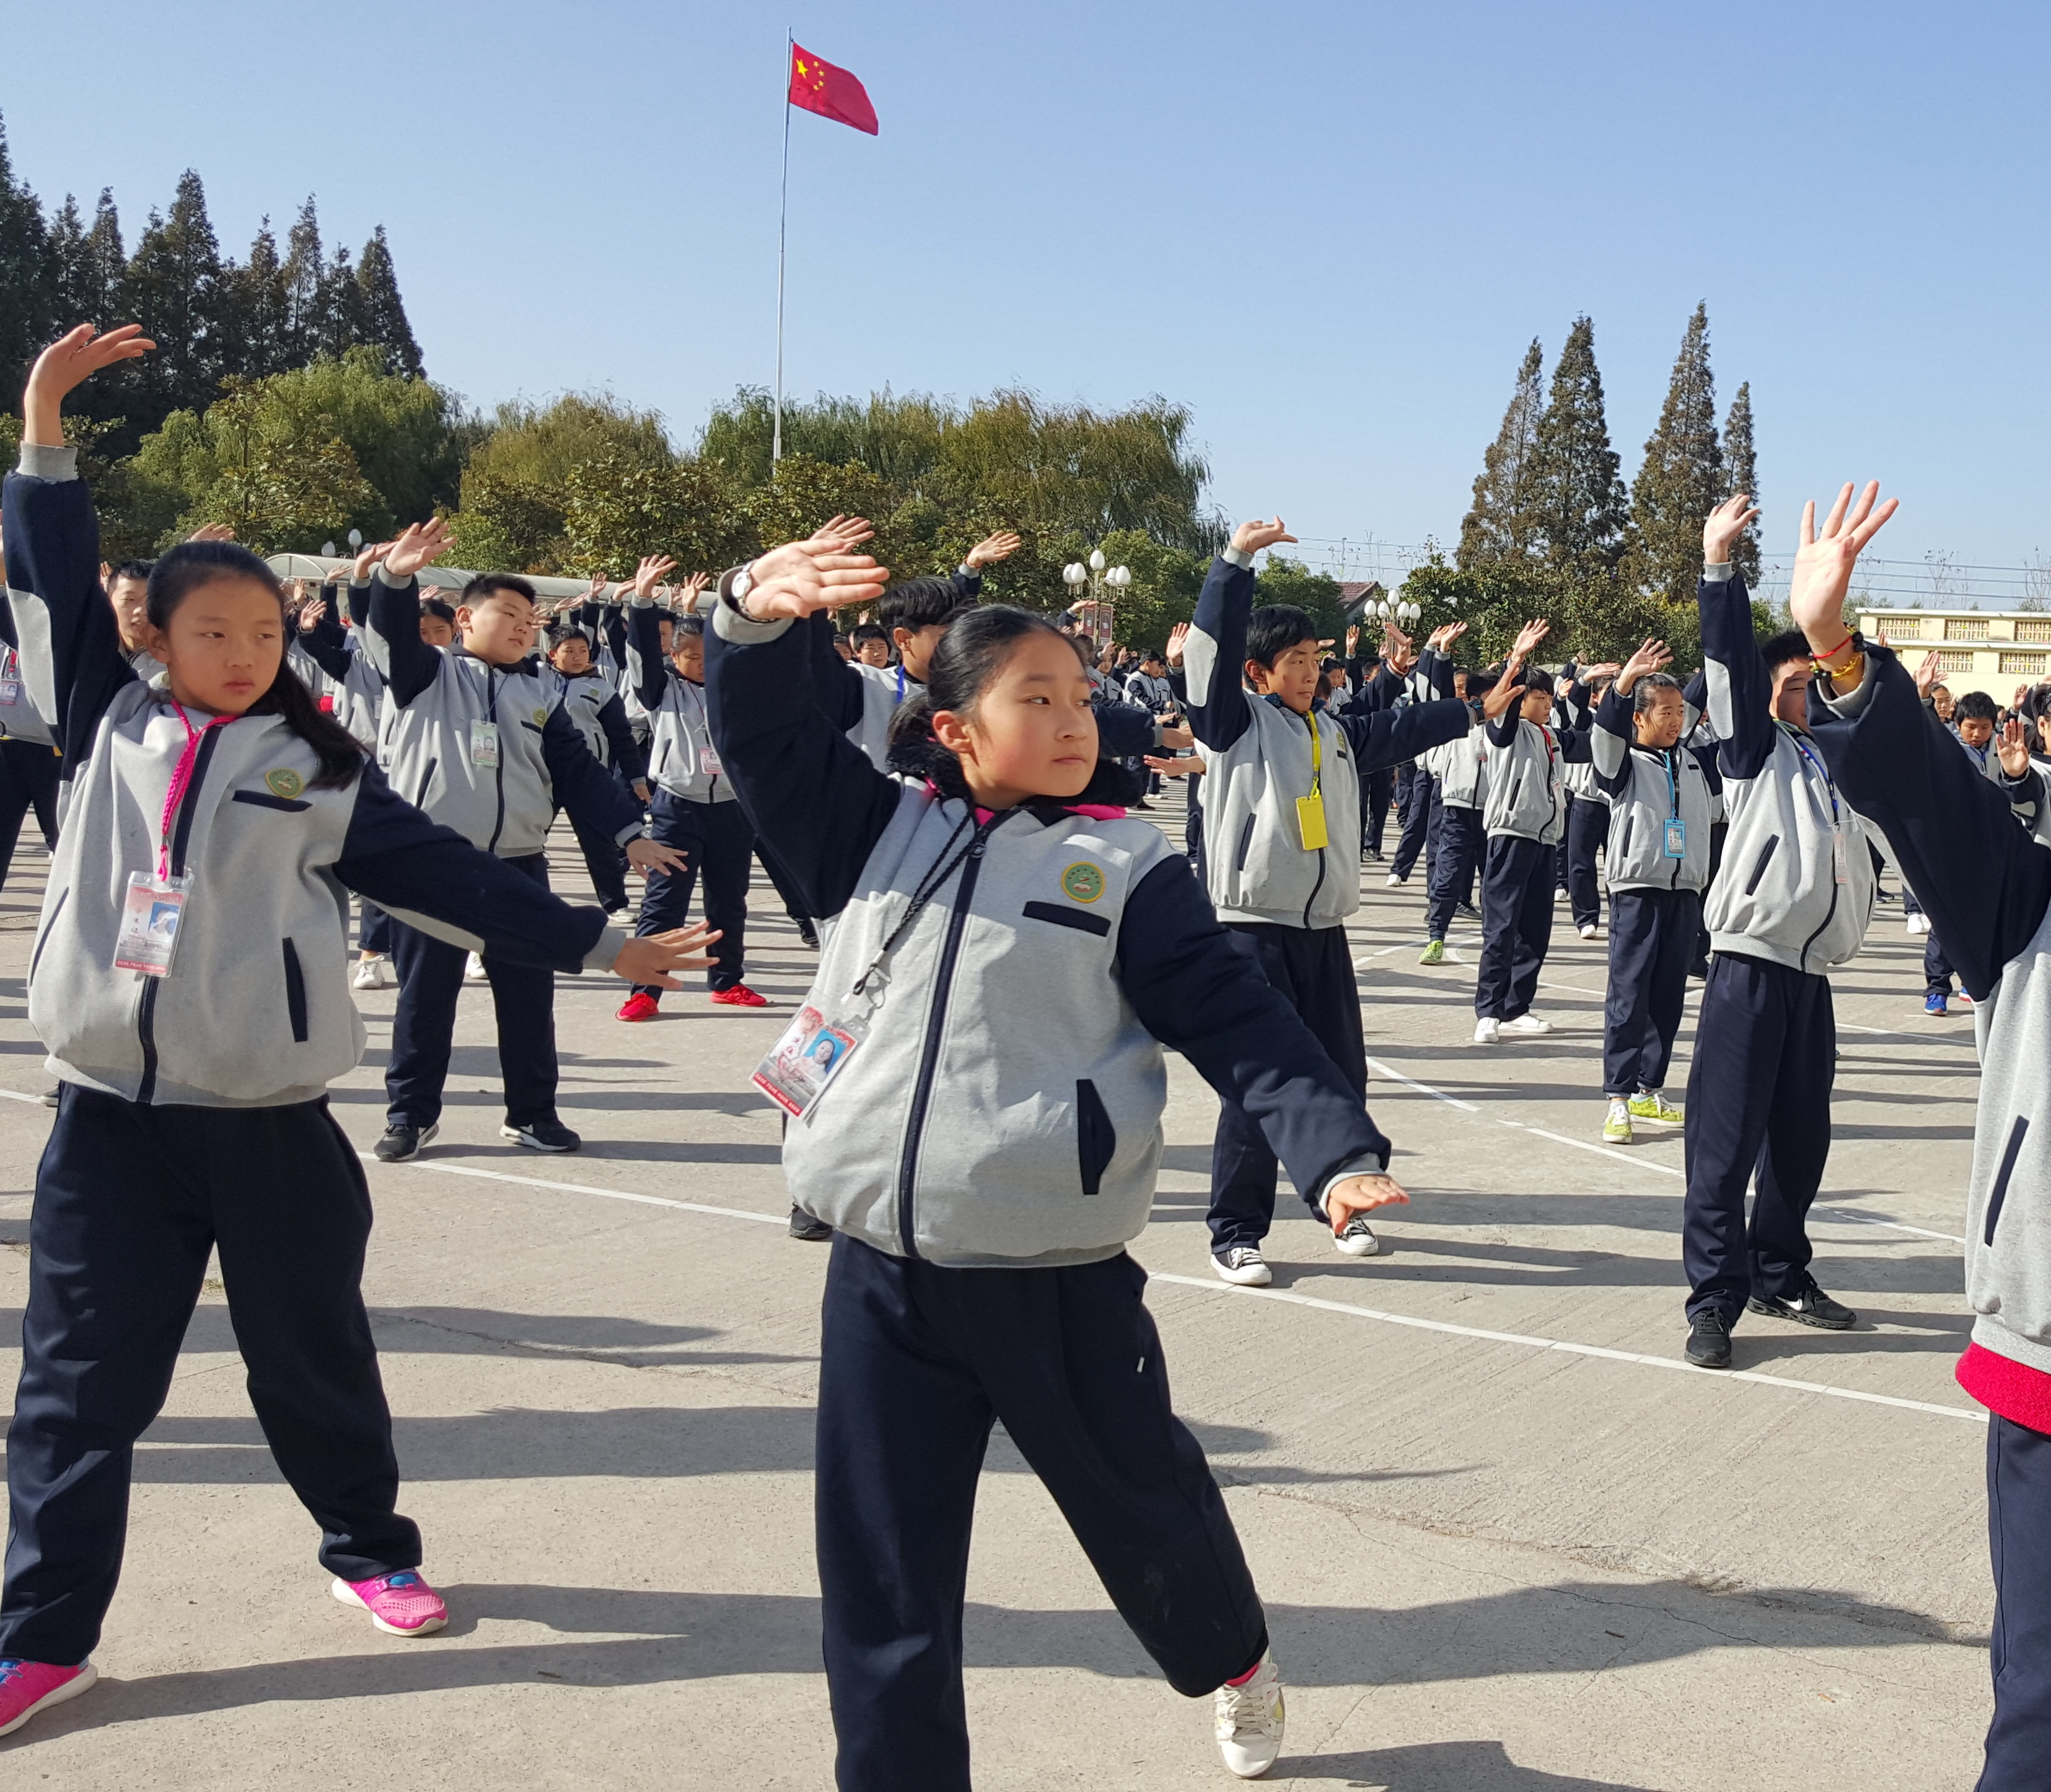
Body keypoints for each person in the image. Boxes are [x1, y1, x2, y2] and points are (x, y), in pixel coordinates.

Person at [0, 323, 718, 1742]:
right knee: (75, 1391)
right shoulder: (102, 712)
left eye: (264, 635)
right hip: (110, 1128)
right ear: (150, 632)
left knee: (312, 1357)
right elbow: (43, 562)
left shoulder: (314, 762)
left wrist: (596, 938)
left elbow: (440, 877)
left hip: (269, 1127)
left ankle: (372, 1554)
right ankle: (43, 1637)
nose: (239, 654)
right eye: (211, 631)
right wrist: (41, 417)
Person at [703, 529, 1412, 1789]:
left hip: (1053, 1272)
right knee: (881, 1574)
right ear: (950, 728)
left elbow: (1230, 1014)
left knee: (1147, 1514)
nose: (1076, 720)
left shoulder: (1127, 866)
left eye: (1081, 697)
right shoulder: (864, 831)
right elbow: (762, 735)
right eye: (1036, 699)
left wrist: (1331, 1146)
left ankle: (1234, 1661)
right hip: (883, 1275)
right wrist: (747, 617)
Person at [1783, 485, 2051, 1792]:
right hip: (2048, 1351)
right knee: (2038, 1716)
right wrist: (1835, 649)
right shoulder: (2022, 900)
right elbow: (1924, 794)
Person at [1182, 518, 1469, 1285]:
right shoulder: (1234, 727)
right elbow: (1206, 659)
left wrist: (1475, 706)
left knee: (1341, 1074)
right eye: (1295, 663)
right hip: (1251, 931)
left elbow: (1399, 727)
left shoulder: (1331, 732)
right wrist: (1235, 562)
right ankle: (1235, 1231)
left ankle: (1335, 1201)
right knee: (1257, 1088)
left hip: (1322, 930)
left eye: (1315, 662)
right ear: (1258, 671)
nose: (1310, 674)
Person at [366, 532, 685, 1159]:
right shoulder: (426, 674)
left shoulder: (538, 694)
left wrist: (629, 835)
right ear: (464, 619)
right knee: (425, 999)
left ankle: (532, 1115)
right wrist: (394, 582)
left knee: (528, 999)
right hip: (433, 866)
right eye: (506, 615)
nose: (521, 627)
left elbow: (578, 772)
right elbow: (392, 636)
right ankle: (410, 1115)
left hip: (517, 864)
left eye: (528, 618)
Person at [1679, 491, 1878, 1371]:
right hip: (1748, 970)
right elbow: (1724, 662)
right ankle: (1713, 1300)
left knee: (1801, 1139)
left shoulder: (1823, 758)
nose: (1805, 693)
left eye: (1810, 682)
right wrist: (1719, 564)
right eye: (1792, 683)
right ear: (1761, 697)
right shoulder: (1752, 749)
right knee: (1721, 1146)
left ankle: (1779, 1271)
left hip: (1810, 978)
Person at [1589, 639, 1718, 1142]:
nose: (1674, 720)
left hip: (1684, 892)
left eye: (1679, 712)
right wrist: (1623, 684)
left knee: (1668, 994)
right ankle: (1618, 1097)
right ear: (1639, 719)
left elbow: (1721, 712)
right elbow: (1604, 737)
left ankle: (1649, 1087)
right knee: (1629, 995)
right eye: (1664, 712)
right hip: (1637, 892)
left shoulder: (1690, 762)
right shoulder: (1623, 765)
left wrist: (1719, 656)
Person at [1472, 621, 1592, 1043]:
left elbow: (1601, 743)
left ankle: (1516, 1007)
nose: (1545, 705)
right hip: (1510, 837)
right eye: (1538, 698)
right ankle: (1488, 1011)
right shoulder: (1504, 732)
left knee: (1536, 930)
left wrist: (1619, 693)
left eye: (1546, 698)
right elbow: (1502, 711)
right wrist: (1516, 659)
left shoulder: (1552, 739)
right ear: (1519, 700)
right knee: (1501, 927)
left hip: (1545, 841)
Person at [545, 620, 649, 916]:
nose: (578, 656)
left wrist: (636, 778)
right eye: (569, 651)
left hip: (587, 776)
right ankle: (528, 900)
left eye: (583, 650)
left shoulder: (601, 689)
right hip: (540, 775)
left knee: (599, 845)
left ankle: (615, 904)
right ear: (553, 654)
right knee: (528, 839)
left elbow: (621, 737)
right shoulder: (534, 678)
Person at [1917, 682, 2001, 1016]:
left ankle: (1972, 980)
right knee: (1945, 921)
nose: (1978, 734)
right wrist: (1924, 698)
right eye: (1971, 727)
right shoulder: (1947, 747)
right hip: (1951, 846)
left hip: (1990, 847)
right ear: (1958, 723)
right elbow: (1922, 732)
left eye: (1985, 727)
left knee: (1983, 919)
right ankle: (1937, 989)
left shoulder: (2003, 748)